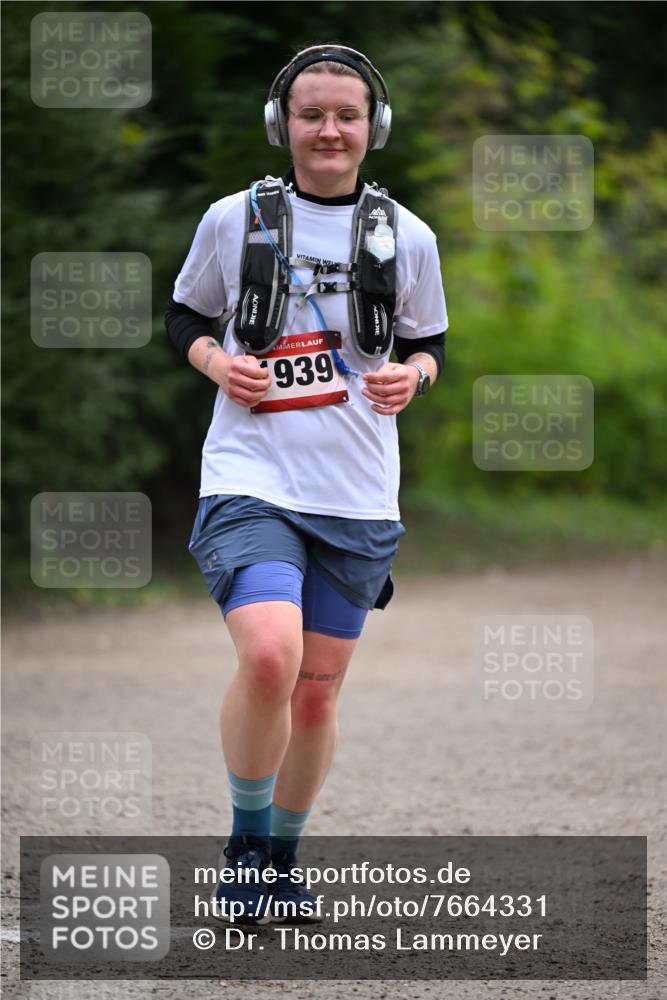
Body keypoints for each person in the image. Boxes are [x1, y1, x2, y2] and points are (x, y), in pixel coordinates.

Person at [165, 44, 447, 924]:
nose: (328, 129)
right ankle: (245, 848)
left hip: (356, 491)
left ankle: (282, 861)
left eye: (346, 115)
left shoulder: (408, 236)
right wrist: (217, 363)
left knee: (317, 690)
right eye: (310, 113)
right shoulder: (233, 219)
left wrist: (417, 377)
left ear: (374, 128)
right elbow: (183, 316)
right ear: (281, 124)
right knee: (268, 656)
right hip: (251, 474)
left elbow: (432, 340)